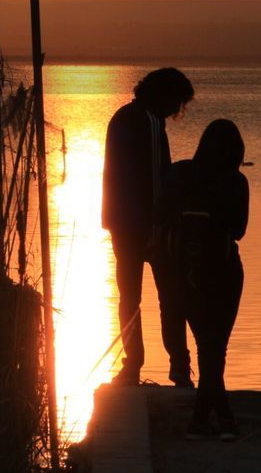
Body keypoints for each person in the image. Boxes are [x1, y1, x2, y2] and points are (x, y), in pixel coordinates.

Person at [102, 67, 195, 387]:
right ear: (164, 96)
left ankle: (132, 365)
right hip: (147, 228)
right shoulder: (149, 122)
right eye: (177, 103)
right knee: (170, 295)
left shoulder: (121, 117)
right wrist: (159, 227)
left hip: (120, 223)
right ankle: (179, 365)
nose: (176, 111)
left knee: (129, 296)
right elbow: (157, 179)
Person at [158, 118, 249, 441]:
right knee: (215, 349)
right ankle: (215, 422)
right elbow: (238, 230)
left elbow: (163, 217)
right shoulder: (236, 182)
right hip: (224, 273)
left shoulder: (179, 173)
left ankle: (215, 421)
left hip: (183, 274)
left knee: (207, 349)